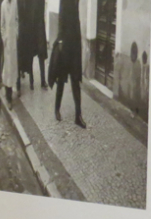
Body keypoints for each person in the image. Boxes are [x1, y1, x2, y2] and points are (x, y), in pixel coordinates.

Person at [56, 0, 86, 128]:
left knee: (75, 80)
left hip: (75, 46)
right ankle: (56, 109)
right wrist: (60, 41)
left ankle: (78, 116)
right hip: (66, 45)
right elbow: (61, 18)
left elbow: (76, 21)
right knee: (61, 80)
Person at [18, 0, 48, 90]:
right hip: (30, 29)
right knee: (30, 55)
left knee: (41, 54)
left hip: (39, 27)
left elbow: (42, 9)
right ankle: (31, 80)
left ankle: (43, 80)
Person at [0, 0, 18, 103]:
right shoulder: (3, 5)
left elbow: (17, 19)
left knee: (13, 68)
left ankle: (15, 87)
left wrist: (16, 33)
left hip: (13, 39)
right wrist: (4, 38)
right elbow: (2, 25)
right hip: (7, 42)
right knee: (7, 70)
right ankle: (8, 96)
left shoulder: (15, 3)